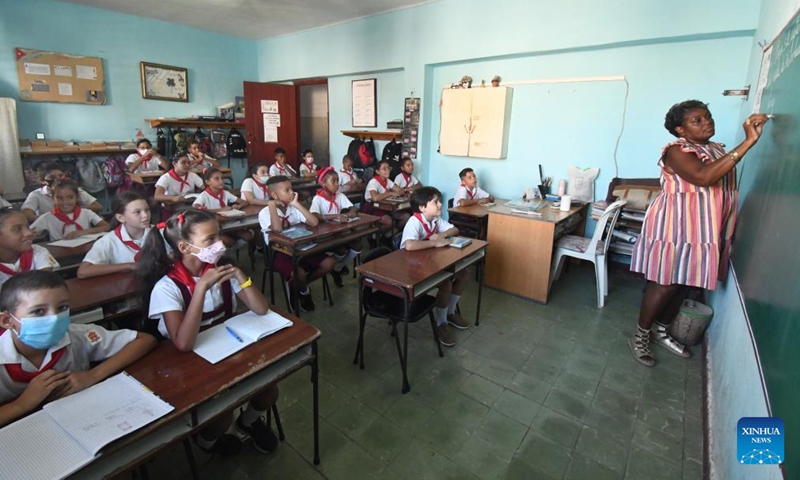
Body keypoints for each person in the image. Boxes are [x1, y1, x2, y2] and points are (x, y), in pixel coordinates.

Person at [629, 100, 769, 367]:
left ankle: (661, 330)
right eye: (698, 120)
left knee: (684, 282)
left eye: (708, 117)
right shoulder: (676, 151)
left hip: (703, 230)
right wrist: (749, 142)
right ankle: (640, 335)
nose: (707, 122)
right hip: (675, 228)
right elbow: (704, 178)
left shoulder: (715, 149)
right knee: (664, 283)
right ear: (681, 130)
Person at [137, 209, 278, 455]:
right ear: (185, 247)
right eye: (209, 239)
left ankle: (248, 422)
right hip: (189, 363)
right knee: (221, 417)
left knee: (268, 392)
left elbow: (261, 309)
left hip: (226, 348)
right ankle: (207, 442)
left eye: (219, 235)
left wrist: (240, 275)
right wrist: (201, 287)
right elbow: (183, 343)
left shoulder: (222, 270)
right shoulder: (167, 287)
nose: (220, 243)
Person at [0, 270, 156, 427]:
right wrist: (21, 405)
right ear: (7, 320)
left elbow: (145, 340)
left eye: (62, 308)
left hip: (80, 419)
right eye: (38, 311)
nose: (54, 318)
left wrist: (92, 375)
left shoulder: (77, 335)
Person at [400, 187, 470, 346]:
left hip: (428, 263)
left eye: (439, 201)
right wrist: (435, 242)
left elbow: (455, 229)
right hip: (410, 268)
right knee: (445, 283)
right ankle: (441, 323)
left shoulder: (435, 219)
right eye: (435, 202)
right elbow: (409, 245)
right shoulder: (414, 221)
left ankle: (451, 312)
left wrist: (442, 235)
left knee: (464, 273)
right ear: (422, 207)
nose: (440, 205)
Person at [259, 176, 335, 312]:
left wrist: (296, 204)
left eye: (291, 189)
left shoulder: (293, 208)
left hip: (301, 247)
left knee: (328, 263)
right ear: (274, 195)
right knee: (299, 273)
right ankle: (304, 290)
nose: (292, 193)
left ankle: (297, 287)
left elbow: (314, 222)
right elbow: (277, 229)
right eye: (287, 190)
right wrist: (271, 205)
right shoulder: (264, 213)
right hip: (280, 252)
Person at [77, 191, 151, 279]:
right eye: (137, 212)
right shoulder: (108, 241)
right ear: (120, 218)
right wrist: (128, 266)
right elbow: (83, 271)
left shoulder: (160, 233)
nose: (145, 215)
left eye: (147, 210)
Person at [309, 167, 361, 287]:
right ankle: (336, 268)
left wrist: (352, 211)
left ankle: (337, 268)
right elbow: (314, 215)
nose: (337, 184)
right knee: (341, 250)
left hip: (339, 232)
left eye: (338, 181)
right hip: (324, 235)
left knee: (358, 245)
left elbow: (352, 207)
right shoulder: (318, 199)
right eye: (333, 181)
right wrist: (335, 216)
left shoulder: (339, 195)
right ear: (323, 183)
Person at [30, 179, 110, 241]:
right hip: (61, 254)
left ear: (77, 197)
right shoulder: (47, 217)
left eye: (70, 197)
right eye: (59, 198)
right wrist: (31, 236)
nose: (65, 202)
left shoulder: (86, 213)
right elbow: (29, 232)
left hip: (85, 250)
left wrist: (83, 232)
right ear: (53, 198)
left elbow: (106, 226)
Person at [21, 163, 102, 223]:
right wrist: (48, 219)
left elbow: (97, 206)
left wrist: (75, 211)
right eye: (52, 177)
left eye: (61, 176)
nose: (57, 180)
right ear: (43, 180)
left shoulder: (74, 189)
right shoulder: (36, 195)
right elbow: (27, 213)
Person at [0, 209, 59, 289]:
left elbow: (46, 281)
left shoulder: (37, 251)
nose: (29, 233)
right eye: (18, 229)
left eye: (28, 227)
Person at [193, 168, 252, 248]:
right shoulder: (204, 195)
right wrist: (219, 210)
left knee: (248, 235)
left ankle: (232, 248)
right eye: (216, 179)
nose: (221, 181)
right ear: (207, 182)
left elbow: (245, 202)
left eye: (222, 178)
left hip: (228, 223)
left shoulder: (225, 193)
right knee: (228, 241)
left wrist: (237, 206)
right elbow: (196, 208)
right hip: (215, 226)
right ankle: (225, 250)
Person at [363, 160, 410, 234]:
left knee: (406, 217)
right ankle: (375, 236)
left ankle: (392, 235)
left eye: (388, 168)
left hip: (386, 207)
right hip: (373, 208)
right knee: (389, 222)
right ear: (378, 172)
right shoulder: (373, 182)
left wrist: (397, 192)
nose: (388, 170)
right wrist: (390, 193)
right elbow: (375, 198)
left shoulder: (388, 180)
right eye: (384, 169)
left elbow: (400, 191)